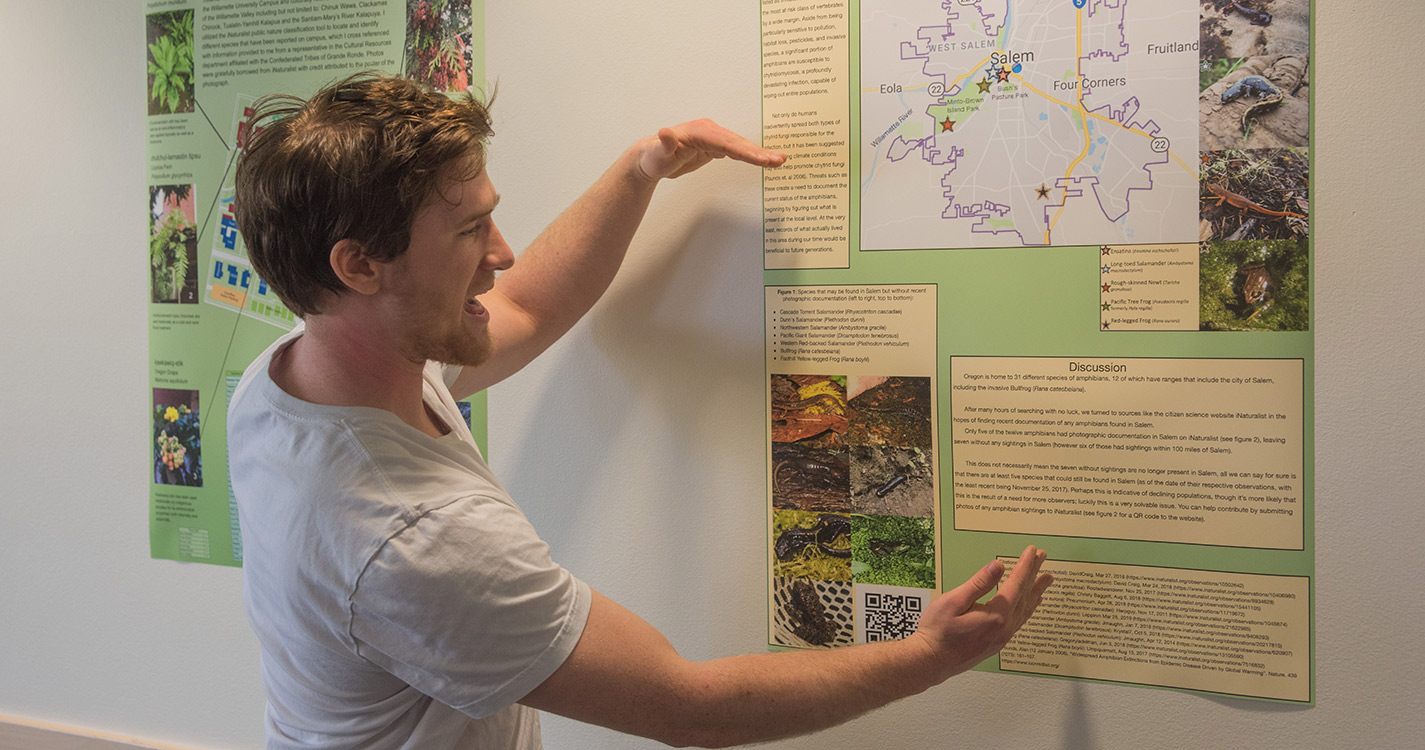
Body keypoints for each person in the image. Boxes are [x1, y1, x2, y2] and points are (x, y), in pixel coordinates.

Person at [229, 72, 1053, 749]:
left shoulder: (290, 377)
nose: (501, 251)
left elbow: (525, 307)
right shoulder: (415, 540)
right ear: (360, 265)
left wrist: (640, 170)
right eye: (470, 229)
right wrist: (925, 658)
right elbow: (686, 706)